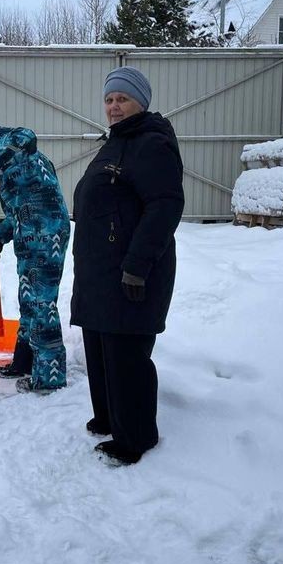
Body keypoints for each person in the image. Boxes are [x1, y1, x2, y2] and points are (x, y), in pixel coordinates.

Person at [71, 67, 184, 465]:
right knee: (102, 350)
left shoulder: (150, 143)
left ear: (141, 102)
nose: (114, 106)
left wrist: (137, 264)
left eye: (122, 98)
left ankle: (134, 438)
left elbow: (165, 205)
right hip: (99, 271)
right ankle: (109, 418)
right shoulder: (115, 144)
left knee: (126, 356)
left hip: (130, 271)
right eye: (109, 99)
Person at [0, 122, 71, 393]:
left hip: (46, 236)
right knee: (29, 300)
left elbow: (27, 136)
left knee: (41, 303)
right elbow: (20, 212)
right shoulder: (13, 165)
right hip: (33, 234)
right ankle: (24, 361)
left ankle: (49, 377)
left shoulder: (19, 147)